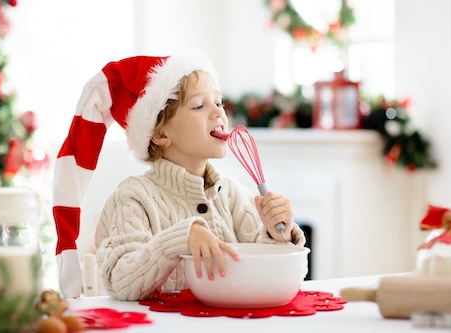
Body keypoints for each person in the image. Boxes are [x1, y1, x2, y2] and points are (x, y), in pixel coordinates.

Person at [52, 50, 306, 300]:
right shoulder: (131, 198)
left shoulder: (233, 196)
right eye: (199, 106)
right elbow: (120, 281)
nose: (219, 113)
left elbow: (266, 279)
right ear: (160, 134)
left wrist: (278, 234)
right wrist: (179, 239)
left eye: (219, 102)